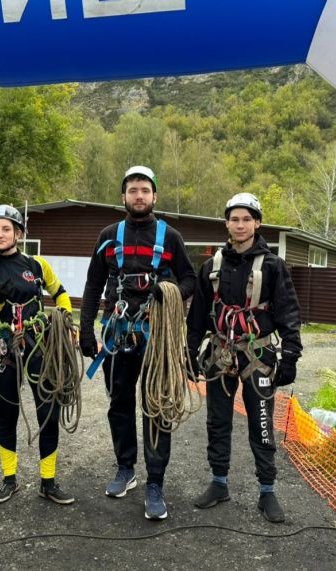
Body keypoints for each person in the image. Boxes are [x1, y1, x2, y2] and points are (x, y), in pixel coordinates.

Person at [80, 165, 196, 520]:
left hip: (156, 336)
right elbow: (93, 285)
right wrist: (86, 331)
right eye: (133, 190)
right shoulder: (108, 236)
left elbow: (190, 280)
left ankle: (155, 483)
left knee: (157, 404)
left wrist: (168, 291)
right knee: (119, 403)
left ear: (154, 196)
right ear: (124, 197)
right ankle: (125, 468)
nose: (139, 195)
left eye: (145, 190)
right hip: (117, 333)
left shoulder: (170, 237)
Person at [186, 192, 302, 523]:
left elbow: (289, 312)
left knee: (261, 423)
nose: (240, 225)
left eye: (246, 219)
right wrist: (189, 351)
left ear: (257, 223)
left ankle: (267, 491)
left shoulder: (274, 267)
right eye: (234, 219)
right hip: (220, 354)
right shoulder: (211, 267)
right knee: (217, 421)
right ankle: (219, 483)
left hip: (258, 355)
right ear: (227, 224)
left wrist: (290, 356)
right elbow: (197, 316)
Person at [0, 204, 75, 506]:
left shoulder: (37, 265)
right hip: (5, 350)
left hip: (39, 347)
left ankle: (48, 482)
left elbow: (60, 293)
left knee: (48, 414)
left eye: (6, 229)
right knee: (7, 415)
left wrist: (65, 319)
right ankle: (9, 480)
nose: (0, 234)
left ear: (18, 233)